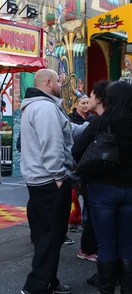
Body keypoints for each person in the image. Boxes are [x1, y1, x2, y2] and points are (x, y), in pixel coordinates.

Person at [19, 69, 87, 294]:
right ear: (48, 83)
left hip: (40, 180)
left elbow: (69, 132)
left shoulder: (37, 106)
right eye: (58, 81)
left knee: (49, 235)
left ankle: (48, 281)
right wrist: (60, 176)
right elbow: (52, 146)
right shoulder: (45, 108)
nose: (61, 84)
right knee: (51, 235)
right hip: (49, 181)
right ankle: (38, 286)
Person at [72, 81, 132, 294]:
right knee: (127, 244)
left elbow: (78, 149)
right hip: (130, 189)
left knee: (106, 244)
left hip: (102, 189)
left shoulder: (102, 122)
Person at [78, 81, 109, 271]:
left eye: (89, 96)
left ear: (99, 98)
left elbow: (78, 148)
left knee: (97, 220)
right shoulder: (98, 120)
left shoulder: (99, 121)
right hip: (101, 180)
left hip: (97, 179)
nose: (87, 100)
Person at [66, 94, 88, 237]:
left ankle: (84, 220)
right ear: (76, 104)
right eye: (83, 103)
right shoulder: (70, 119)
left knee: (86, 193)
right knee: (73, 194)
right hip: (75, 159)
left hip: (86, 160)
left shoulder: (91, 118)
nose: (86, 105)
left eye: (87, 102)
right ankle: (74, 220)